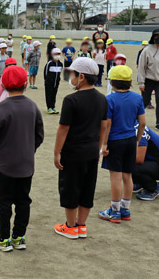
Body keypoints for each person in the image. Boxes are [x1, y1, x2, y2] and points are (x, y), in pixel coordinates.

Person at [0, 65, 44, 252]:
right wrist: (29, 149)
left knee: (3, 202)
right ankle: (18, 237)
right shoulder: (32, 106)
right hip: (26, 164)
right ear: (25, 83)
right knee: (23, 201)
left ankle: (3, 239)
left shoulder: (0, 108)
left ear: (3, 84)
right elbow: (39, 134)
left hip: (5, 165)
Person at [53, 57, 108, 239]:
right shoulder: (102, 99)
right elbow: (103, 126)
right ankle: (81, 226)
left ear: (82, 77)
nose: (71, 78)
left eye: (73, 74)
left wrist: (57, 152)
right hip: (91, 152)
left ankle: (70, 226)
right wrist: (99, 148)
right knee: (87, 188)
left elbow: (64, 128)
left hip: (73, 153)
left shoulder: (71, 100)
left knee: (70, 188)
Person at [99, 65, 145, 223]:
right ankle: (125, 208)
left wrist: (104, 144)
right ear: (131, 81)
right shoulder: (137, 98)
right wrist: (137, 139)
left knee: (115, 176)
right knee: (128, 175)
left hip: (115, 141)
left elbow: (108, 124)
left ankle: (115, 210)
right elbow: (143, 122)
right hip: (130, 139)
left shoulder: (109, 99)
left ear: (112, 83)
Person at [138, 29, 159, 132]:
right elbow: (142, 67)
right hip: (148, 80)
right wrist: (141, 82)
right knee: (145, 102)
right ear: (153, 38)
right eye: (157, 36)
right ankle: (136, 121)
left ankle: (158, 123)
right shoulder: (146, 50)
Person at [133, 123, 159, 201]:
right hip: (154, 161)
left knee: (130, 164)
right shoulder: (133, 125)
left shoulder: (138, 128)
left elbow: (139, 159)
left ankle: (153, 188)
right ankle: (140, 183)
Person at [44, 48, 63, 114]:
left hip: (56, 83)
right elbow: (46, 73)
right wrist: (47, 81)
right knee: (49, 94)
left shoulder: (61, 64)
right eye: (56, 54)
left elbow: (59, 73)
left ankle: (53, 107)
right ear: (52, 54)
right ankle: (49, 107)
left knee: (54, 95)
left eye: (59, 54)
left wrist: (58, 80)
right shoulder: (49, 63)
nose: (58, 55)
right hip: (49, 83)